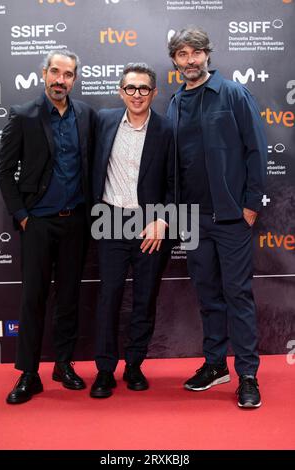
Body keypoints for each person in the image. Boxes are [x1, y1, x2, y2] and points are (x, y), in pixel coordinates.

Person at [167, 28, 267, 408]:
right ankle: (214, 365)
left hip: (230, 218)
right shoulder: (176, 102)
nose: (190, 60)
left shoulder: (234, 94)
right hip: (193, 220)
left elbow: (256, 150)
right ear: (174, 61)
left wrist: (250, 205)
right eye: (182, 54)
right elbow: (176, 164)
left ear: (208, 55)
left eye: (196, 52)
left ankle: (247, 374)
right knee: (207, 295)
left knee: (237, 295)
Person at [0, 50, 97, 404]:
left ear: (74, 78)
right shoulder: (24, 115)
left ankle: (64, 365)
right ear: (44, 74)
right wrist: (23, 215)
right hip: (37, 222)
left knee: (69, 298)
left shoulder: (86, 115)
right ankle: (28, 373)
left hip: (76, 223)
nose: (61, 80)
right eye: (55, 72)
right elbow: (4, 171)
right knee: (32, 299)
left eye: (68, 74)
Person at [90, 63, 175, 398]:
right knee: (108, 297)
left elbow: (175, 183)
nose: (137, 94)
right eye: (130, 88)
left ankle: (135, 365)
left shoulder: (167, 130)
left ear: (154, 93)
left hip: (150, 223)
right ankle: (105, 370)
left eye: (143, 89)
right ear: (120, 91)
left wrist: (162, 219)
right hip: (109, 219)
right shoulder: (104, 122)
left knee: (144, 298)